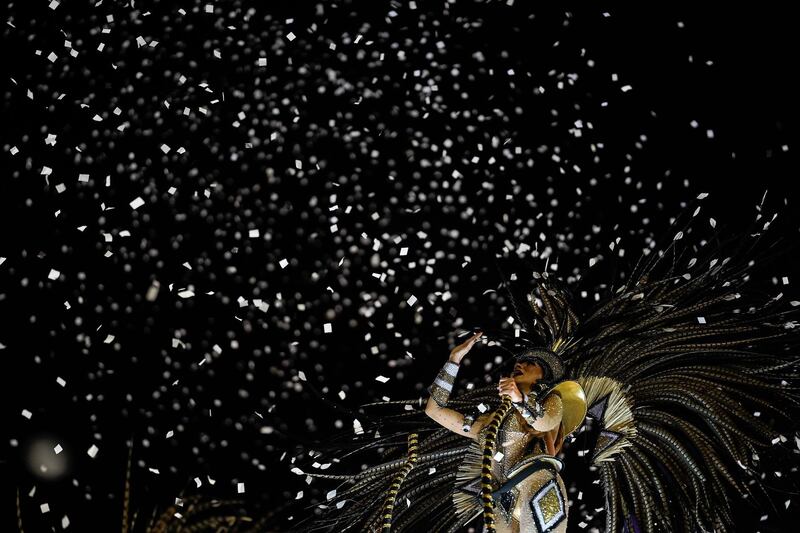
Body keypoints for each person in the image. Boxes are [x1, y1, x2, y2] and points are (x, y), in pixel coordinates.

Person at [425, 331, 585, 533]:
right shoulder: (490, 422)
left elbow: (544, 422)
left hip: (538, 483)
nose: (520, 365)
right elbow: (434, 410)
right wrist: (453, 361)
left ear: (543, 376)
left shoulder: (552, 402)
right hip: (503, 499)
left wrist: (520, 400)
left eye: (531, 363)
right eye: (519, 362)